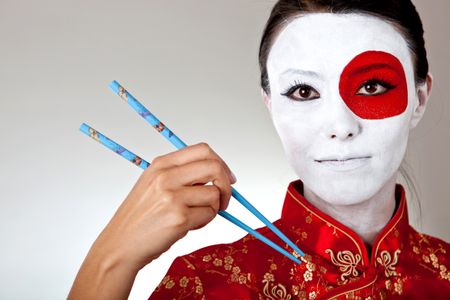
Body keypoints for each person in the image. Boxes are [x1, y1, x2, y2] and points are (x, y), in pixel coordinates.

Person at [68, 0, 450, 299]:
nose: (341, 127)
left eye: (371, 87)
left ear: (419, 99)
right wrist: (111, 261)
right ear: (271, 105)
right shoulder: (206, 284)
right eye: (304, 91)